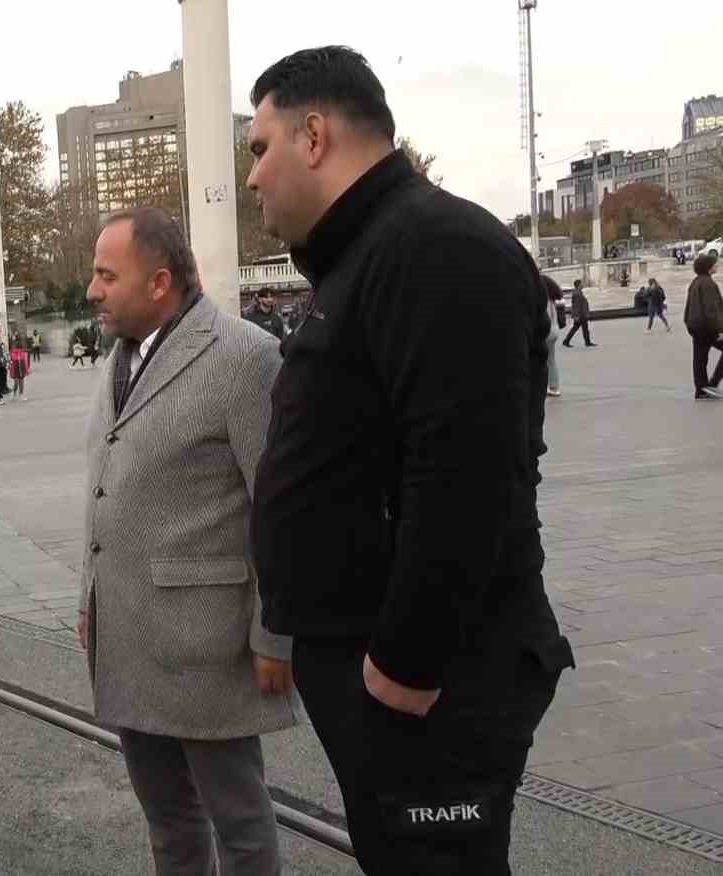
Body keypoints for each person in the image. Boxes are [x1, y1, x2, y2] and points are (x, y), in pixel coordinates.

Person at [244, 46, 572, 874]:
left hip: (428, 689)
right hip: (380, 671)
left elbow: (465, 475)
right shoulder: (370, 253)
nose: (252, 179)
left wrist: (402, 670)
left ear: (313, 135)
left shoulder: (434, 246)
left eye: (260, 148)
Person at [79, 205, 295, 876]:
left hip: (209, 644)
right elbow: (108, 485)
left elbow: (278, 508)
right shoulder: (118, 359)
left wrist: (274, 635)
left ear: (160, 282)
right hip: (129, 637)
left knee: (240, 823)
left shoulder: (243, 358)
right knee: (167, 820)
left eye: (106, 275)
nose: (92, 290)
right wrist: (91, 600)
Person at [684, 253, 723, 400]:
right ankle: (712, 384)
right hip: (707, 327)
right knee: (700, 358)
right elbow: (711, 310)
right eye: (715, 264)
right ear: (709, 267)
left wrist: (688, 322)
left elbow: (688, 308)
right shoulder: (708, 284)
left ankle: (701, 390)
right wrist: (720, 330)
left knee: (699, 359)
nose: (717, 265)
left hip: (695, 326)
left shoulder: (695, 282)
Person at [543, 275, 563, 398]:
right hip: (554, 331)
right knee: (551, 360)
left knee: (543, 361)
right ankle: (554, 387)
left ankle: (546, 385)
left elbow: (546, 317)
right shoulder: (552, 300)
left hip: (547, 332)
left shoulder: (545, 300)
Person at [562, 279, 595, 347]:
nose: (582, 285)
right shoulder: (577, 293)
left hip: (581, 314)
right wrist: (576, 316)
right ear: (579, 285)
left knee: (581, 328)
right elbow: (576, 305)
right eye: (581, 283)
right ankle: (567, 341)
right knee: (579, 328)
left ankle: (586, 342)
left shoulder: (578, 292)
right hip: (580, 315)